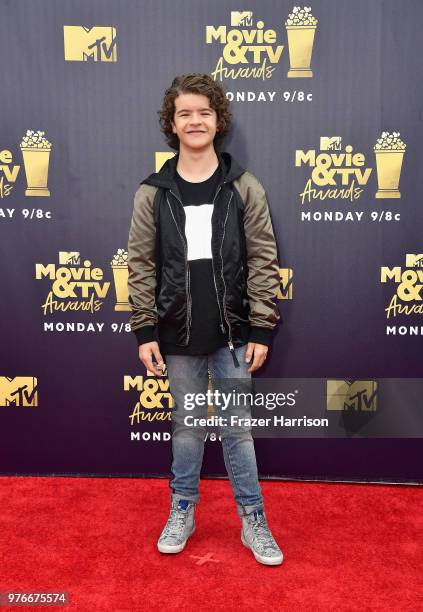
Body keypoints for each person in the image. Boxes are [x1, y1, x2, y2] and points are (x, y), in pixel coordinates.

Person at [127, 73, 283, 566]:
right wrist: (145, 329)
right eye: (185, 113)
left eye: (204, 112)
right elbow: (140, 265)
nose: (195, 121)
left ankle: (253, 519)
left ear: (218, 121)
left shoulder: (244, 187)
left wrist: (261, 327)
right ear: (172, 125)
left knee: (237, 428)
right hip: (175, 333)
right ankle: (183, 509)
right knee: (189, 426)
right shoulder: (152, 192)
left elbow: (263, 259)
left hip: (235, 332)